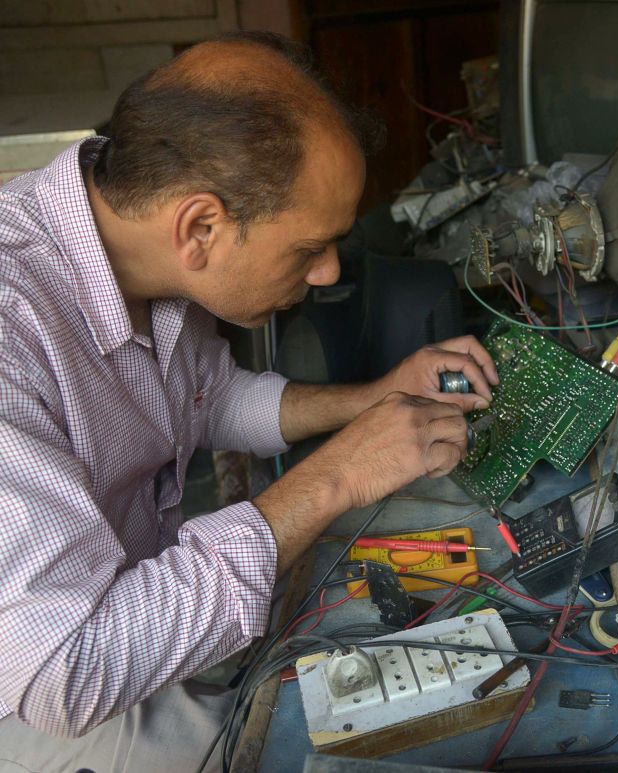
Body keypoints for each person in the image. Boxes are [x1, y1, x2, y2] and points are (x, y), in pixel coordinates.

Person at [0, 32, 496, 771]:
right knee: (298, 745)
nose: (328, 273)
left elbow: (208, 398)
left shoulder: (139, 241)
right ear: (200, 227)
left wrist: (375, 396)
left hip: (114, 604)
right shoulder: (13, 332)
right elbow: (66, 672)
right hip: (39, 688)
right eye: (308, 249)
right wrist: (332, 477)